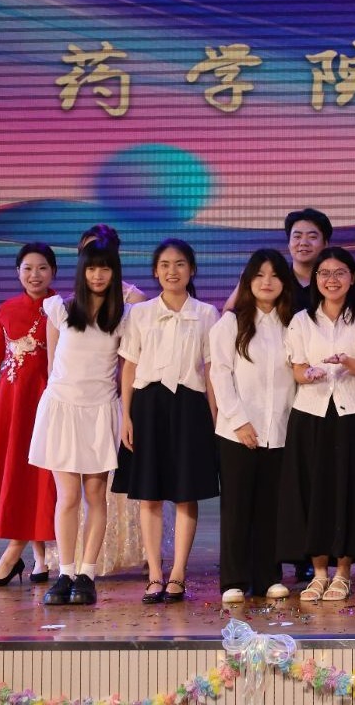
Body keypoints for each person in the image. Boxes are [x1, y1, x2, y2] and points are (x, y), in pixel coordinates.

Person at [115, 239, 221, 604]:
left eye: (179, 264)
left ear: (192, 270)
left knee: (186, 492)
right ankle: (155, 575)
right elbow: (129, 367)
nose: (172, 271)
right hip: (148, 406)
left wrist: (215, 416)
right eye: (164, 265)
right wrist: (126, 416)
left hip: (190, 406)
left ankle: (178, 573)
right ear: (155, 272)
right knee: (150, 494)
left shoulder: (207, 313)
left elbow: (211, 370)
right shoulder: (140, 313)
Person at [28, 235, 126, 606]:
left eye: (105, 268)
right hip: (63, 408)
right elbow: (53, 363)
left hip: (100, 410)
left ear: (114, 272)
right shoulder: (60, 309)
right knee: (68, 496)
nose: (97, 275)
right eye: (91, 268)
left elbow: (125, 369)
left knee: (96, 495)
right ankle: (65, 573)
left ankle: (87, 573)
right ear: (81, 271)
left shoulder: (124, 315)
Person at [280, 247, 355, 604]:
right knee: (313, 493)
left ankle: (343, 573)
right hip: (311, 414)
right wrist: (308, 373)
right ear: (315, 279)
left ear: (352, 277)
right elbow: (297, 368)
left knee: (347, 492)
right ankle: (319, 573)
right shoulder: (301, 320)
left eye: (339, 273)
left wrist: (348, 362)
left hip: (353, 414)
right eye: (324, 273)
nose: (331, 280)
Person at [0, 243, 60, 588]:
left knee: (39, 474)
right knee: (19, 472)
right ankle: (39, 559)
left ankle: (14, 556)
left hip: (46, 400)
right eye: (27, 268)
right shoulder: (6, 309)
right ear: (17, 272)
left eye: (42, 268)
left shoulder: (61, 308)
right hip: (10, 403)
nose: (35, 275)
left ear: (53, 272)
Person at [209, 249, 297, 603]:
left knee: (270, 507)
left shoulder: (293, 324)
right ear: (247, 280)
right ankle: (233, 579)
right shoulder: (230, 324)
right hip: (238, 432)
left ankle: (268, 577)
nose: (267, 282)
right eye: (259, 275)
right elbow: (220, 375)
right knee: (237, 507)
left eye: (274, 275)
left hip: (279, 431)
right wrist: (239, 421)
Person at [73, 227, 144, 580]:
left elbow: (132, 359)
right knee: (75, 493)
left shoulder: (132, 300)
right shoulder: (69, 304)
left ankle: (122, 552)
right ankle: (81, 563)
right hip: (76, 404)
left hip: (110, 402)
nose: (97, 270)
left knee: (107, 490)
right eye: (89, 258)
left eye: (104, 260)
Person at [225, 209, 332, 313]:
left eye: (312, 237)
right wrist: (244, 281)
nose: (303, 242)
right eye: (297, 236)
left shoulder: (332, 282)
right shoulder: (276, 279)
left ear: (325, 244)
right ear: (288, 244)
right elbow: (229, 316)